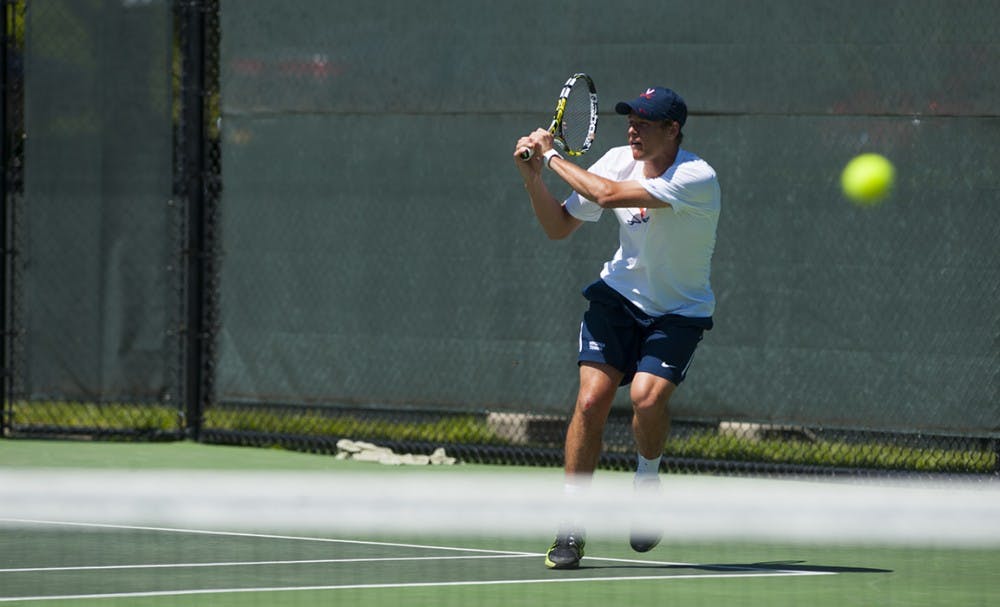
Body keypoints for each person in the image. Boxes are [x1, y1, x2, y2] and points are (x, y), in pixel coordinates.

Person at [513, 86, 721, 569]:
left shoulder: (696, 177)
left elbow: (605, 196)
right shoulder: (613, 159)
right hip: (618, 300)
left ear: (672, 131)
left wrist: (551, 154)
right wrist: (533, 180)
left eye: (645, 123)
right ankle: (571, 526)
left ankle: (646, 482)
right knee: (590, 401)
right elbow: (559, 226)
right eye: (630, 119)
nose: (633, 129)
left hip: (678, 311)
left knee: (648, 399)